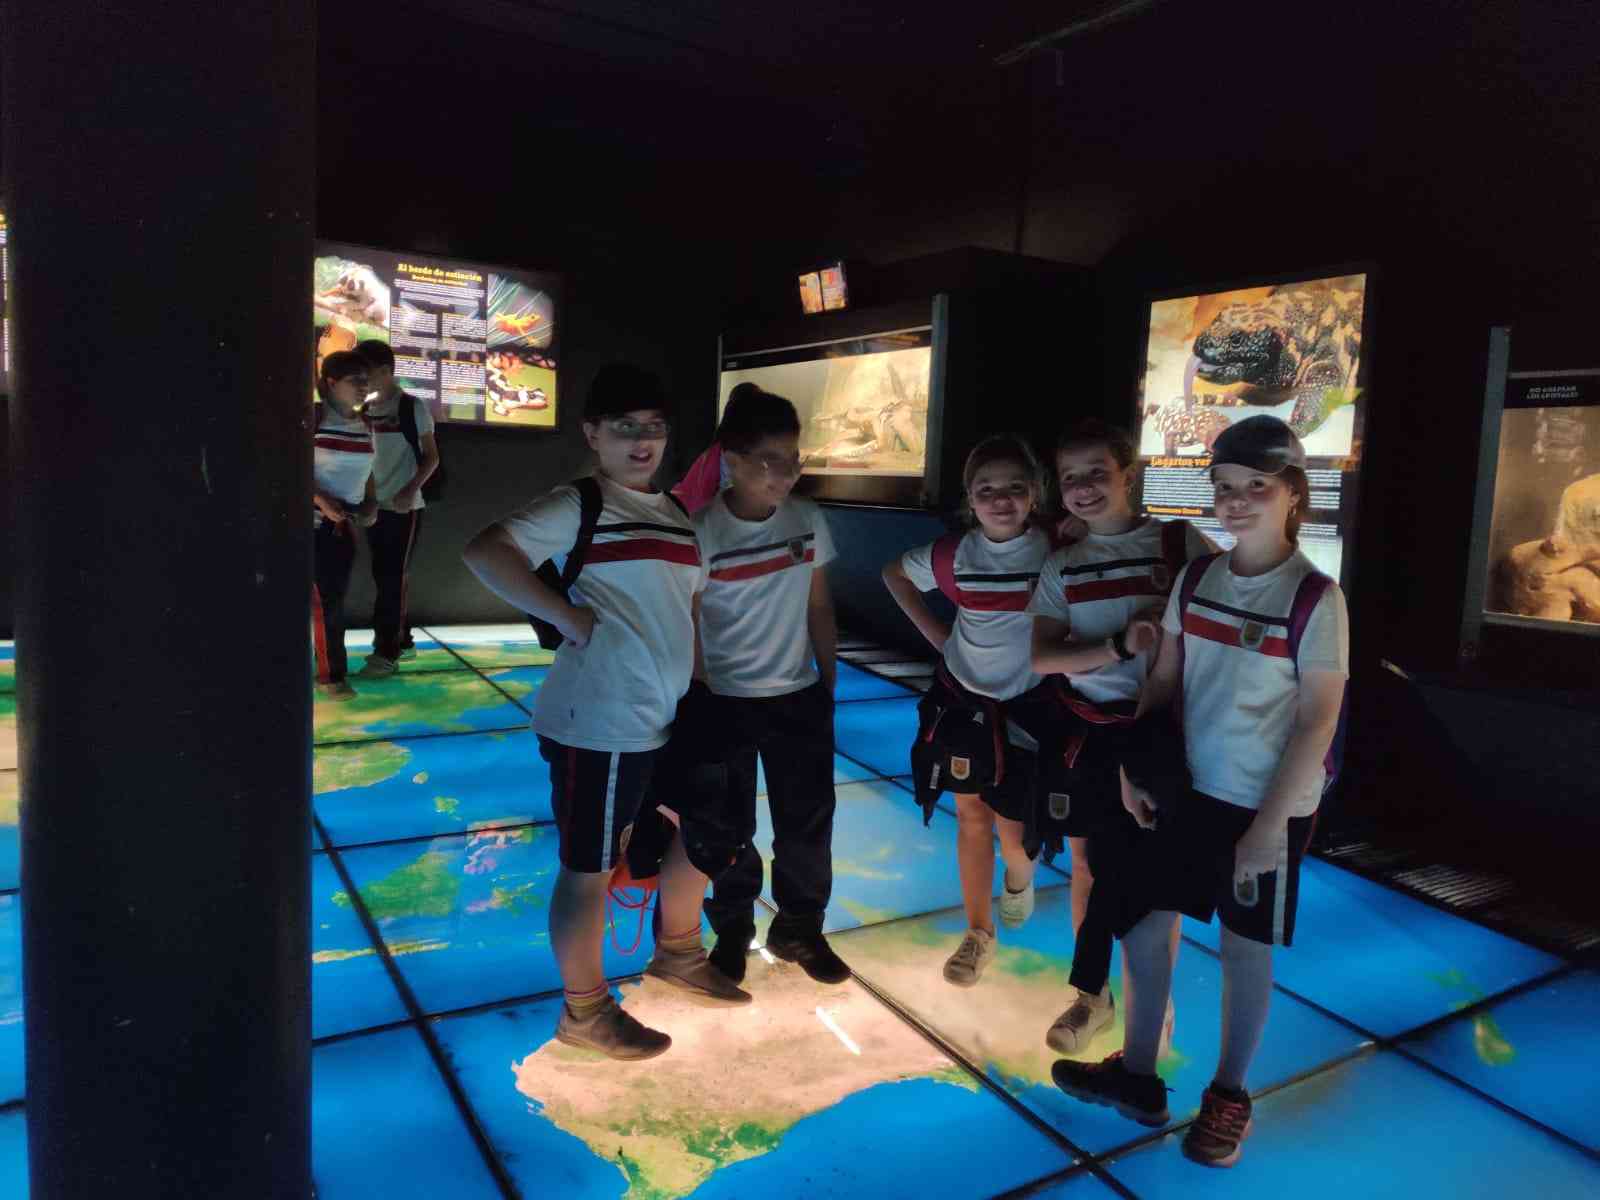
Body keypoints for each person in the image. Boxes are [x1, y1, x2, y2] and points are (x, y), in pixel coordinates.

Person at [1050, 416, 1348, 1169]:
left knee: (1245, 952)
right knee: (1144, 925)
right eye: (1225, 487)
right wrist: (1135, 765)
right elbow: (1165, 676)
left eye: (1257, 486)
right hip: (1186, 789)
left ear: (1292, 493)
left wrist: (1268, 828)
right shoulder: (1196, 577)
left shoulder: (1315, 597)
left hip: (1263, 806)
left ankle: (1228, 1095)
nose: (1237, 501)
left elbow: (1318, 719)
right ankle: (1138, 1074)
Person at [462, 364, 749, 1062]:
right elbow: (485, 551)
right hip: (601, 721)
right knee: (589, 867)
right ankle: (585, 1011)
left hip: (667, 712)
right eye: (624, 427)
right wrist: (567, 617)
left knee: (705, 829)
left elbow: (683, 607)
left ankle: (678, 951)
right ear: (592, 433)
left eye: (654, 427)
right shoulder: (580, 503)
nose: (642, 441)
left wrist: (700, 684)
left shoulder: (673, 511)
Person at [1028, 419, 1210, 1052]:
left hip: (1163, 735)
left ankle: (1153, 1004)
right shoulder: (1062, 564)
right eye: (1069, 477)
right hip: (1091, 732)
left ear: (1128, 475)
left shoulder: (1178, 544)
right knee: (1085, 864)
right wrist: (1116, 647)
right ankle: (1092, 995)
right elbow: (1043, 657)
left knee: (1159, 875)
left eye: (1097, 472)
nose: (1082, 486)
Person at [882, 435, 1055, 986]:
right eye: (986, 489)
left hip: (1026, 708)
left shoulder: (1054, 548)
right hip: (964, 701)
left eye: (1014, 487)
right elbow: (894, 574)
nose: (1000, 499)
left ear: (1034, 493)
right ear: (969, 497)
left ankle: (1019, 878)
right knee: (972, 817)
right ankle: (979, 932)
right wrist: (940, 638)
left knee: (1015, 833)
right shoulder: (954, 554)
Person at [693, 383, 849, 987]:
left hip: (797, 697)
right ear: (732, 461)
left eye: (793, 458)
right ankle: (733, 928)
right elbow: (689, 621)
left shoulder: (807, 520)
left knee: (808, 822)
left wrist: (826, 685)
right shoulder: (702, 531)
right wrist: (699, 695)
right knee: (728, 824)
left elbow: (819, 606)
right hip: (725, 700)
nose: (786, 473)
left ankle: (799, 928)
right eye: (769, 461)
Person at [353, 341, 439, 675]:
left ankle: (386, 653)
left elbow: (432, 458)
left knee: (392, 578)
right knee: (385, 576)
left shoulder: (412, 407)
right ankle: (403, 641)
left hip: (405, 508)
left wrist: (409, 490)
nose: (361, 379)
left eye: (366, 372)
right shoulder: (365, 410)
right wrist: (369, 500)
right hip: (376, 507)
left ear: (386, 371)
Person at [312, 351, 379, 700]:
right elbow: (286, 466)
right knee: (323, 602)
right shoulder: (312, 417)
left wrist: (371, 505)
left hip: (344, 528)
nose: (363, 387)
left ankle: (330, 673)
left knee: (332, 601)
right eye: (355, 380)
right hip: (310, 526)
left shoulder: (366, 424)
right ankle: (330, 677)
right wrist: (321, 500)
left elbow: (370, 475)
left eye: (366, 380)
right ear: (331, 382)